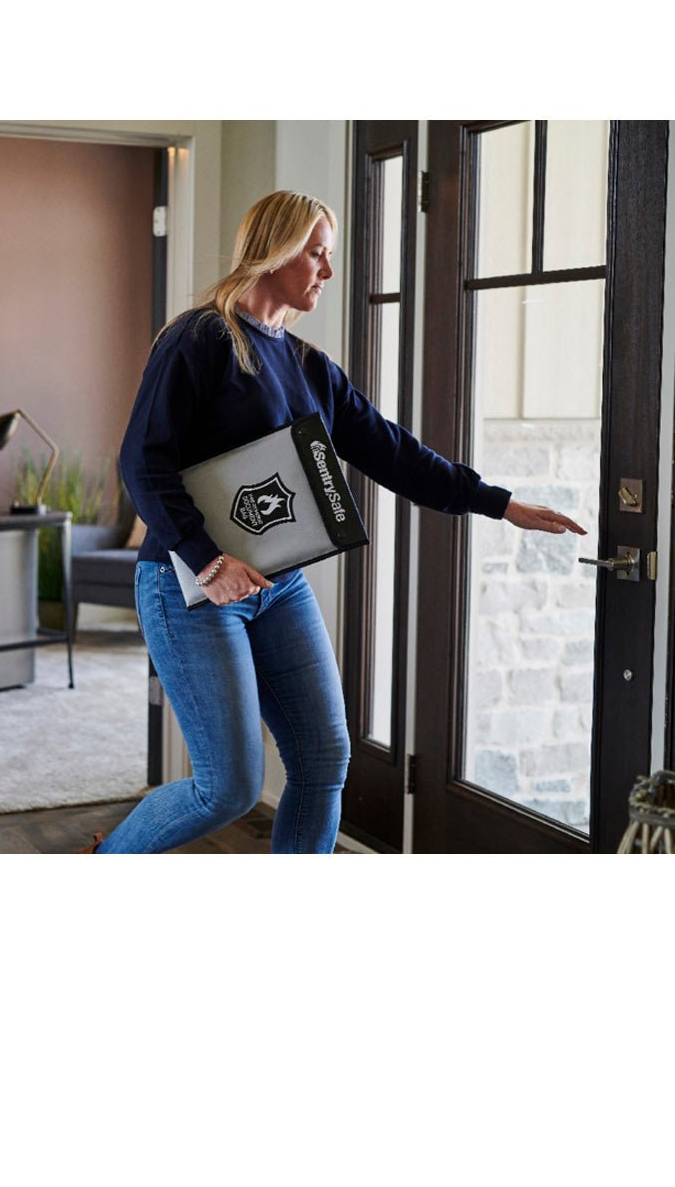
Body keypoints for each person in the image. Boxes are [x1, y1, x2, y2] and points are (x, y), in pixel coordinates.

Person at [85, 190, 586, 855]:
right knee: (228, 788)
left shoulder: (309, 366)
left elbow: (390, 449)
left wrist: (498, 502)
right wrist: (209, 561)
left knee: (324, 761)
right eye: (316, 253)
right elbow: (142, 463)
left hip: (277, 587)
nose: (327, 269)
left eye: (329, 255)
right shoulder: (199, 339)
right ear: (273, 251)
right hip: (190, 586)